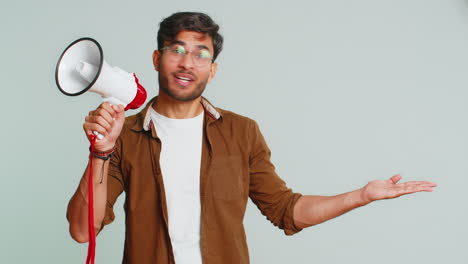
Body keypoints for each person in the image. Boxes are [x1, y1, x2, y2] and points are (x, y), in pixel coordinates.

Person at [66, 12, 437, 264]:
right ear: (156, 58)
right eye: (176, 50)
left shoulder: (241, 132)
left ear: (212, 71)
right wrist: (103, 150)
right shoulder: (126, 136)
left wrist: (360, 196)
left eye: (200, 54)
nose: (186, 63)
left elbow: (285, 210)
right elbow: (84, 232)